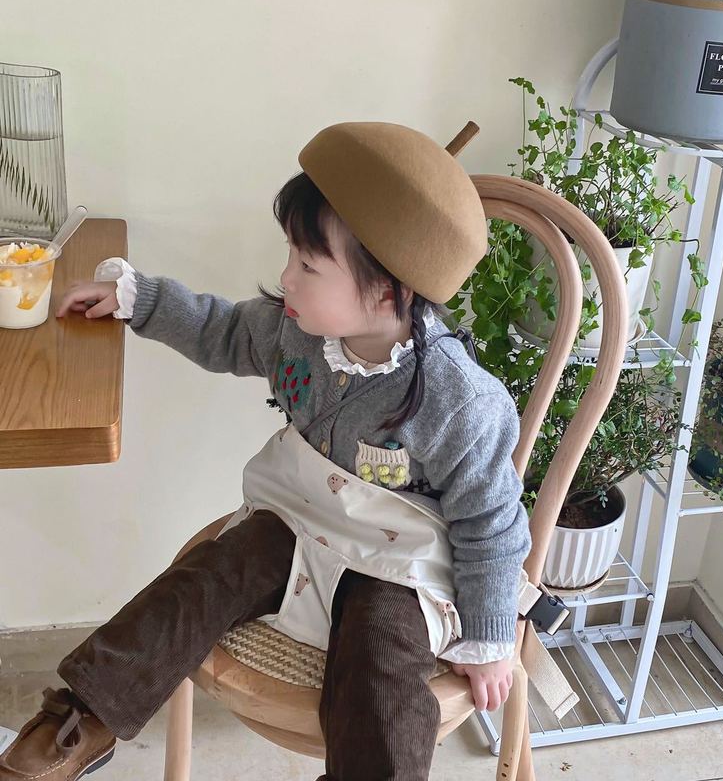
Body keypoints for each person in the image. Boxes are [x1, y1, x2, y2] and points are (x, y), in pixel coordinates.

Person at [0, 122, 531, 781]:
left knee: (381, 660)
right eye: (291, 256)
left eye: (308, 266)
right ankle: (79, 722)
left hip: (399, 562)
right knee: (205, 577)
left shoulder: (462, 403)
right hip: (294, 520)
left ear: (387, 291)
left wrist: (490, 635)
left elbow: (491, 523)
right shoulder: (293, 331)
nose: (286, 278)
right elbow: (221, 329)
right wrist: (139, 300)